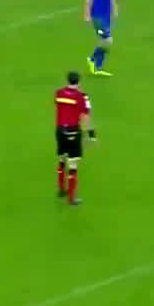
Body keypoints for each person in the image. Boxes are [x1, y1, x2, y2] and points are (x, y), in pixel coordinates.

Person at [54, 71, 96, 205]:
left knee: (62, 159)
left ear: (68, 80)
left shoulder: (58, 93)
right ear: (79, 81)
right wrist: (91, 135)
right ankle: (71, 199)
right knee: (72, 165)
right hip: (73, 132)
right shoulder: (81, 97)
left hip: (60, 131)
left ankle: (61, 189)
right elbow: (85, 116)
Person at [84, 0, 119, 77]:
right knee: (107, 40)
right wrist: (87, 13)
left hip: (106, 15)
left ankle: (98, 68)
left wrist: (114, 8)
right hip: (97, 16)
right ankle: (92, 59)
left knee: (104, 41)